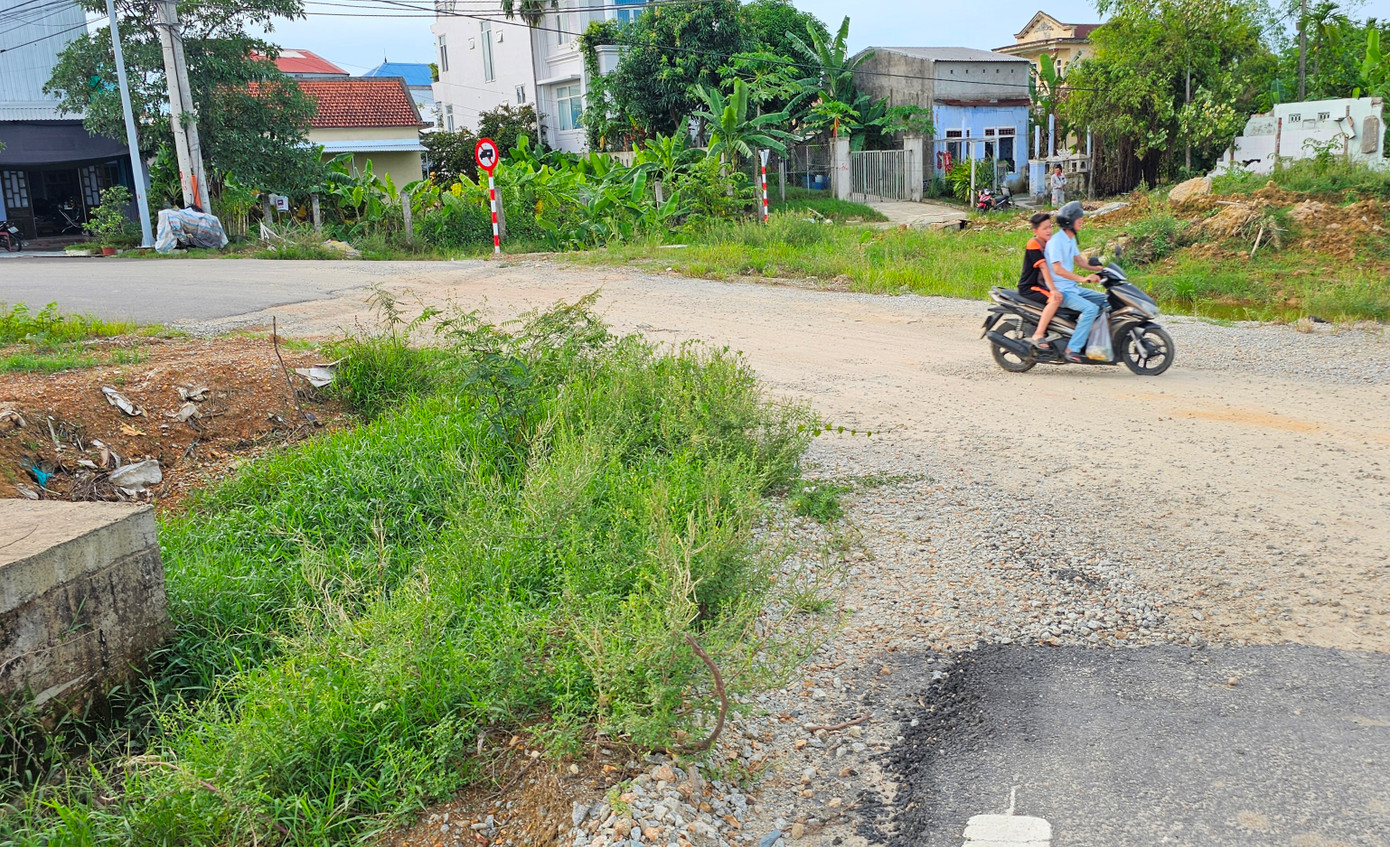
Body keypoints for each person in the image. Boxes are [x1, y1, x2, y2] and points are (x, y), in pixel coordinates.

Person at [1044, 200, 1108, 364]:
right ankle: (1071, 349)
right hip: (1061, 291)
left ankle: (1091, 339)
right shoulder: (1056, 242)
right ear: (1069, 222)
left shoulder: (1069, 239)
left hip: (1072, 288)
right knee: (1090, 309)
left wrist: (1101, 269)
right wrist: (1083, 279)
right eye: (1078, 218)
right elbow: (1057, 270)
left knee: (1107, 301)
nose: (1081, 220)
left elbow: (1080, 262)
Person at [1017, 212, 1063, 352]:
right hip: (1030, 287)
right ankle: (1038, 334)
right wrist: (1054, 290)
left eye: (1050, 227)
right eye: (1045, 228)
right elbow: (1043, 267)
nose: (1049, 230)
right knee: (1055, 299)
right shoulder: (1033, 244)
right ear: (1035, 231)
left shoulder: (1049, 243)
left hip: (1042, 285)